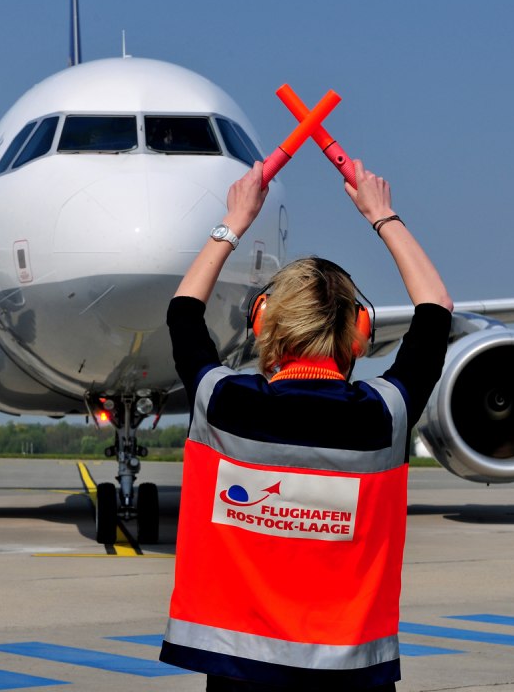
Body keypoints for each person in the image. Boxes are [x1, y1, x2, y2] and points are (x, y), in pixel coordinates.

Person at [159, 160, 454, 691]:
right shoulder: (383, 415)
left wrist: (235, 219)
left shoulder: (222, 404)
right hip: (352, 676)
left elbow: (183, 312)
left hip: (240, 674)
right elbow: (435, 311)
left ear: (263, 321)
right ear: (359, 332)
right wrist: (381, 214)